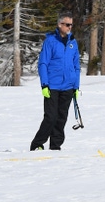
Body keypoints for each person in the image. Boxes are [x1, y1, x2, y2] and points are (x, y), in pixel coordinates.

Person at [30, 12, 81, 151]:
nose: (70, 27)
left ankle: (55, 146)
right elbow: (43, 63)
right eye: (67, 24)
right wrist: (44, 84)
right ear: (60, 25)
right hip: (52, 85)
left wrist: (76, 86)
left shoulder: (73, 42)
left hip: (68, 86)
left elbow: (76, 65)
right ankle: (37, 144)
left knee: (61, 118)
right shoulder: (50, 41)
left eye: (71, 24)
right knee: (51, 117)